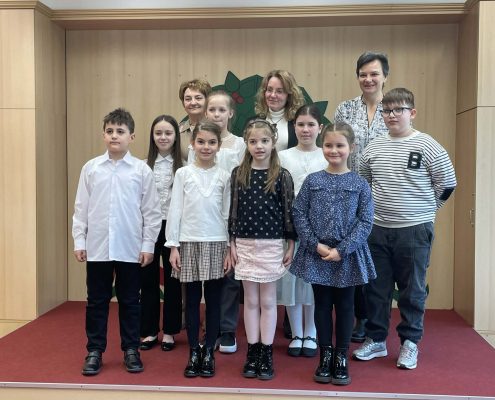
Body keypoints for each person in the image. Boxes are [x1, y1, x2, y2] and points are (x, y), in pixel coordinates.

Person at [354, 87, 457, 370]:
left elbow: (447, 184)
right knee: (376, 289)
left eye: (398, 110)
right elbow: (364, 183)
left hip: (414, 230)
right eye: (387, 111)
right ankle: (376, 340)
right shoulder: (374, 147)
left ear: (412, 113)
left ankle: (410, 343)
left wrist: (426, 210)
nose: (391, 115)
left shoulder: (427, 145)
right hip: (377, 229)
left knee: (412, 291)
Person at [72, 108, 162, 376]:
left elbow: (151, 212)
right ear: (103, 135)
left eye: (120, 131)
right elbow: (81, 208)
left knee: (130, 301)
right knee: (96, 301)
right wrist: (79, 240)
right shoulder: (91, 168)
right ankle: (94, 351)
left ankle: (131, 349)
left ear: (131, 136)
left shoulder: (141, 170)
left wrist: (147, 245)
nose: (114, 136)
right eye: (110, 131)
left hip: (129, 248)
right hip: (98, 246)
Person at [290, 122, 376, 385]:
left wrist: (342, 249)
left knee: (346, 305)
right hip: (318, 253)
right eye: (328, 145)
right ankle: (325, 354)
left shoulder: (360, 183)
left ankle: (341, 356)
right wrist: (315, 244)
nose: (334, 150)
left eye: (340, 145)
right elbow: (299, 213)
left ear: (352, 147)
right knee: (322, 304)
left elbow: (365, 221)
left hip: (347, 255)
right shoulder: (313, 180)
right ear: (322, 146)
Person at [229, 119, 296, 380]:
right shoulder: (239, 173)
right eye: (253, 141)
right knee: (251, 300)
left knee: (268, 301)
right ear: (246, 144)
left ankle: (266, 352)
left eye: (264, 141)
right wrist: (232, 242)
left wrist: (290, 243)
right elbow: (233, 210)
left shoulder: (282, 175)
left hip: (272, 244)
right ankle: (253, 351)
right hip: (245, 243)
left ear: (273, 143)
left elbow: (288, 212)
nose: (259, 146)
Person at [166, 120, 231, 378]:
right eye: (201, 141)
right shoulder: (183, 174)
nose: (206, 147)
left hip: (216, 242)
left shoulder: (225, 176)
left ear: (219, 146)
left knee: (214, 301)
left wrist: (229, 247)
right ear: (192, 144)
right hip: (188, 242)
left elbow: (227, 214)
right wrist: (173, 246)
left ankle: (209, 352)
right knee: (191, 301)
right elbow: (175, 211)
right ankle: (194, 350)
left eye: (212, 142)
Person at [334, 51, 390, 343]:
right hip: (349, 196)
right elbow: (336, 148)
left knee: (377, 261)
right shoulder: (345, 109)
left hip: (384, 198)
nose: (368, 79)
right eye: (363, 74)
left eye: (374, 74)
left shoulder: (393, 109)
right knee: (353, 255)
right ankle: (360, 316)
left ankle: (376, 319)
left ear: (384, 76)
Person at [277, 105, 327, 358]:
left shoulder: (326, 154)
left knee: (313, 281)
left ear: (320, 128)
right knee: (291, 281)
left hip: (320, 230)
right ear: (294, 127)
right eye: (300, 125)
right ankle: (297, 333)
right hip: (291, 228)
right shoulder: (283, 156)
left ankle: (312, 332)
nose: (305, 130)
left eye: (310, 125)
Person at [200, 90, 246, 354]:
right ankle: (211, 325)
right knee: (209, 274)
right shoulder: (200, 143)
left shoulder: (239, 145)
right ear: (205, 112)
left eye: (221, 110)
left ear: (230, 113)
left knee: (230, 273)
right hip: (206, 217)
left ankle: (228, 329)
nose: (216, 114)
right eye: (212, 109)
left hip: (233, 213)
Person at [139, 115, 183, 352]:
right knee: (147, 280)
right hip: (147, 227)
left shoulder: (184, 166)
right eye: (158, 133)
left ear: (176, 136)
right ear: (152, 136)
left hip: (174, 228)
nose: (163, 137)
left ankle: (170, 331)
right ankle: (148, 330)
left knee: (173, 281)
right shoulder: (142, 165)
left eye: (168, 133)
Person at [254, 69, 305, 151]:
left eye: (279, 91)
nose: (273, 95)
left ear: (289, 95)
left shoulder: (298, 124)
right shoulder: (253, 122)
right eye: (269, 90)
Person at [178, 78, 212, 160]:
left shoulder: (217, 128)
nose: (193, 102)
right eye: (188, 99)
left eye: (198, 98)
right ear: (183, 103)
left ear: (208, 101)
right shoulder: (177, 131)